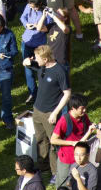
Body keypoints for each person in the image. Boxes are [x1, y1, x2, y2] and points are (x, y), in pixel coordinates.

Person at [23, 45, 71, 178]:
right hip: (37, 110)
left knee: (54, 143)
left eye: (37, 58)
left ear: (45, 59)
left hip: (50, 113)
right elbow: (28, 63)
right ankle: (43, 167)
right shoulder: (41, 66)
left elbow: (67, 93)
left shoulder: (59, 71)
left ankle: (56, 172)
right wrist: (27, 61)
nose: (35, 60)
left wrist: (55, 113)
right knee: (40, 139)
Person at [50, 94, 92, 188]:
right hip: (67, 160)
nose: (84, 110)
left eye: (85, 108)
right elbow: (53, 140)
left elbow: (89, 126)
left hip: (81, 158)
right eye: (82, 108)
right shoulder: (64, 120)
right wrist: (72, 143)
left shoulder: (84, 117)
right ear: (73, 108)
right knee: (63, 185)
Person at [20, 0, 49, 103]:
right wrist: (26, 24)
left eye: (35, 7)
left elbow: (48, 28)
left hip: (39, 43)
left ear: (40, 4)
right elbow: (23, 17)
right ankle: (33, 93)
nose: (33, 9)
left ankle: (44, 93)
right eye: (31, 7)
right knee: (28, 68)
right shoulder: (29, 6)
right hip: (27, 41)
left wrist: (40, 25)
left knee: (41, 69)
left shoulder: (46, 12)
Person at [36, 7, 71, 71]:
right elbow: (39, 28)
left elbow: (64, 29)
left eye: (59, 14)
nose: (56, 14)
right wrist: (43, 16)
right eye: (56, 12)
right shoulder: (52, 25)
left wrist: (54, 16)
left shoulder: (68, 27)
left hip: (61, 60)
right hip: (50, 58)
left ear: (65, 18)